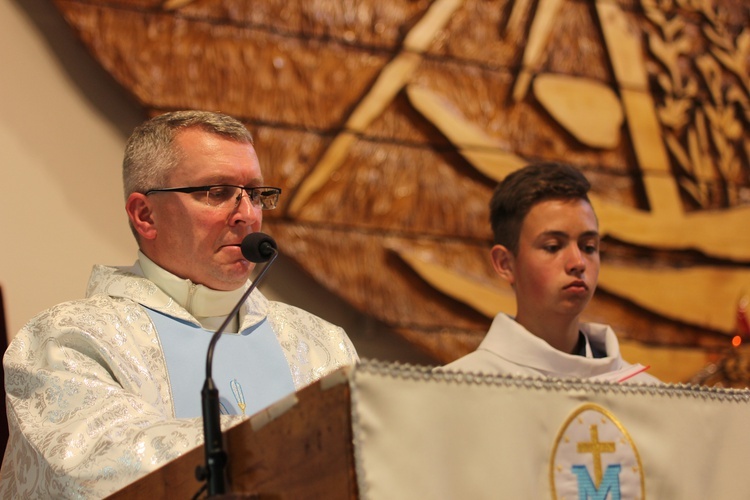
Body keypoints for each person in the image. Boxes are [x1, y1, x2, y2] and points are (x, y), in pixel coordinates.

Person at [0, 110, 359, 498]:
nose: (247, 215)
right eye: (217, 193)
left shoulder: (321, 343)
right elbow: (113, 467)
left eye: (254, 194)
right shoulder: (69, 341)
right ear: (145, 215)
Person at [442, 162, 658, 384]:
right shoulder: (459, 387)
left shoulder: (647, 392)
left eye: (589, 247)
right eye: (553, 246)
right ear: (505, 264)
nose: (578, 262)